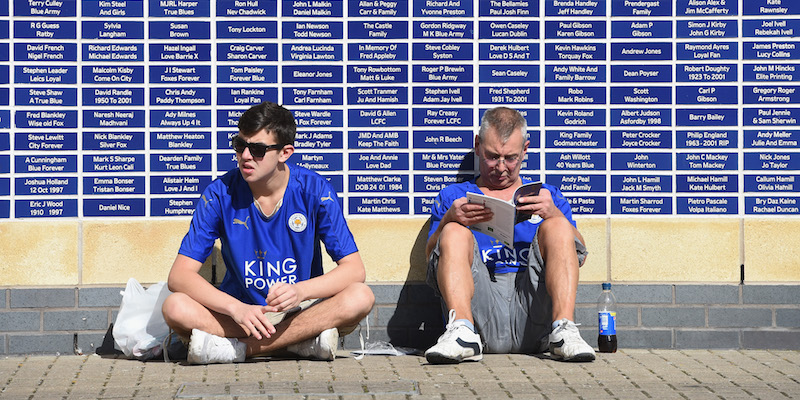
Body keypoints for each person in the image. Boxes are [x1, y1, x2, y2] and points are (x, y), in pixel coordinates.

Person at [162, 101, 374, 364]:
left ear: (285, 153)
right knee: (175, 306)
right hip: (242, 315)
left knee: (361, 296)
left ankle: (238, 350)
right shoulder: (219, 193)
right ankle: (298, 343)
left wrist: (300, 291)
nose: (245, 156)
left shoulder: (315, 190)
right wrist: (235, 307)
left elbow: (354, 270)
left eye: (258, 149)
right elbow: (179, 276)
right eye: (240, 146)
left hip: (299, 310)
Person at [424, 106, 595, 363]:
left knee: (558, 227)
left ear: (525, 149)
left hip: (533, 312)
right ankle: (461, 332)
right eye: (492, 156)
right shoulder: (454, 196)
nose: (501, 167)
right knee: (452, 231)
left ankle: (564, 331)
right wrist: (449, 219)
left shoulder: (547, 196)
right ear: (478, 145)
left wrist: (554, 214)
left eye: (511, 158)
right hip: (479, 310)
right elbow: (430, 258)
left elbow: (580, 252)